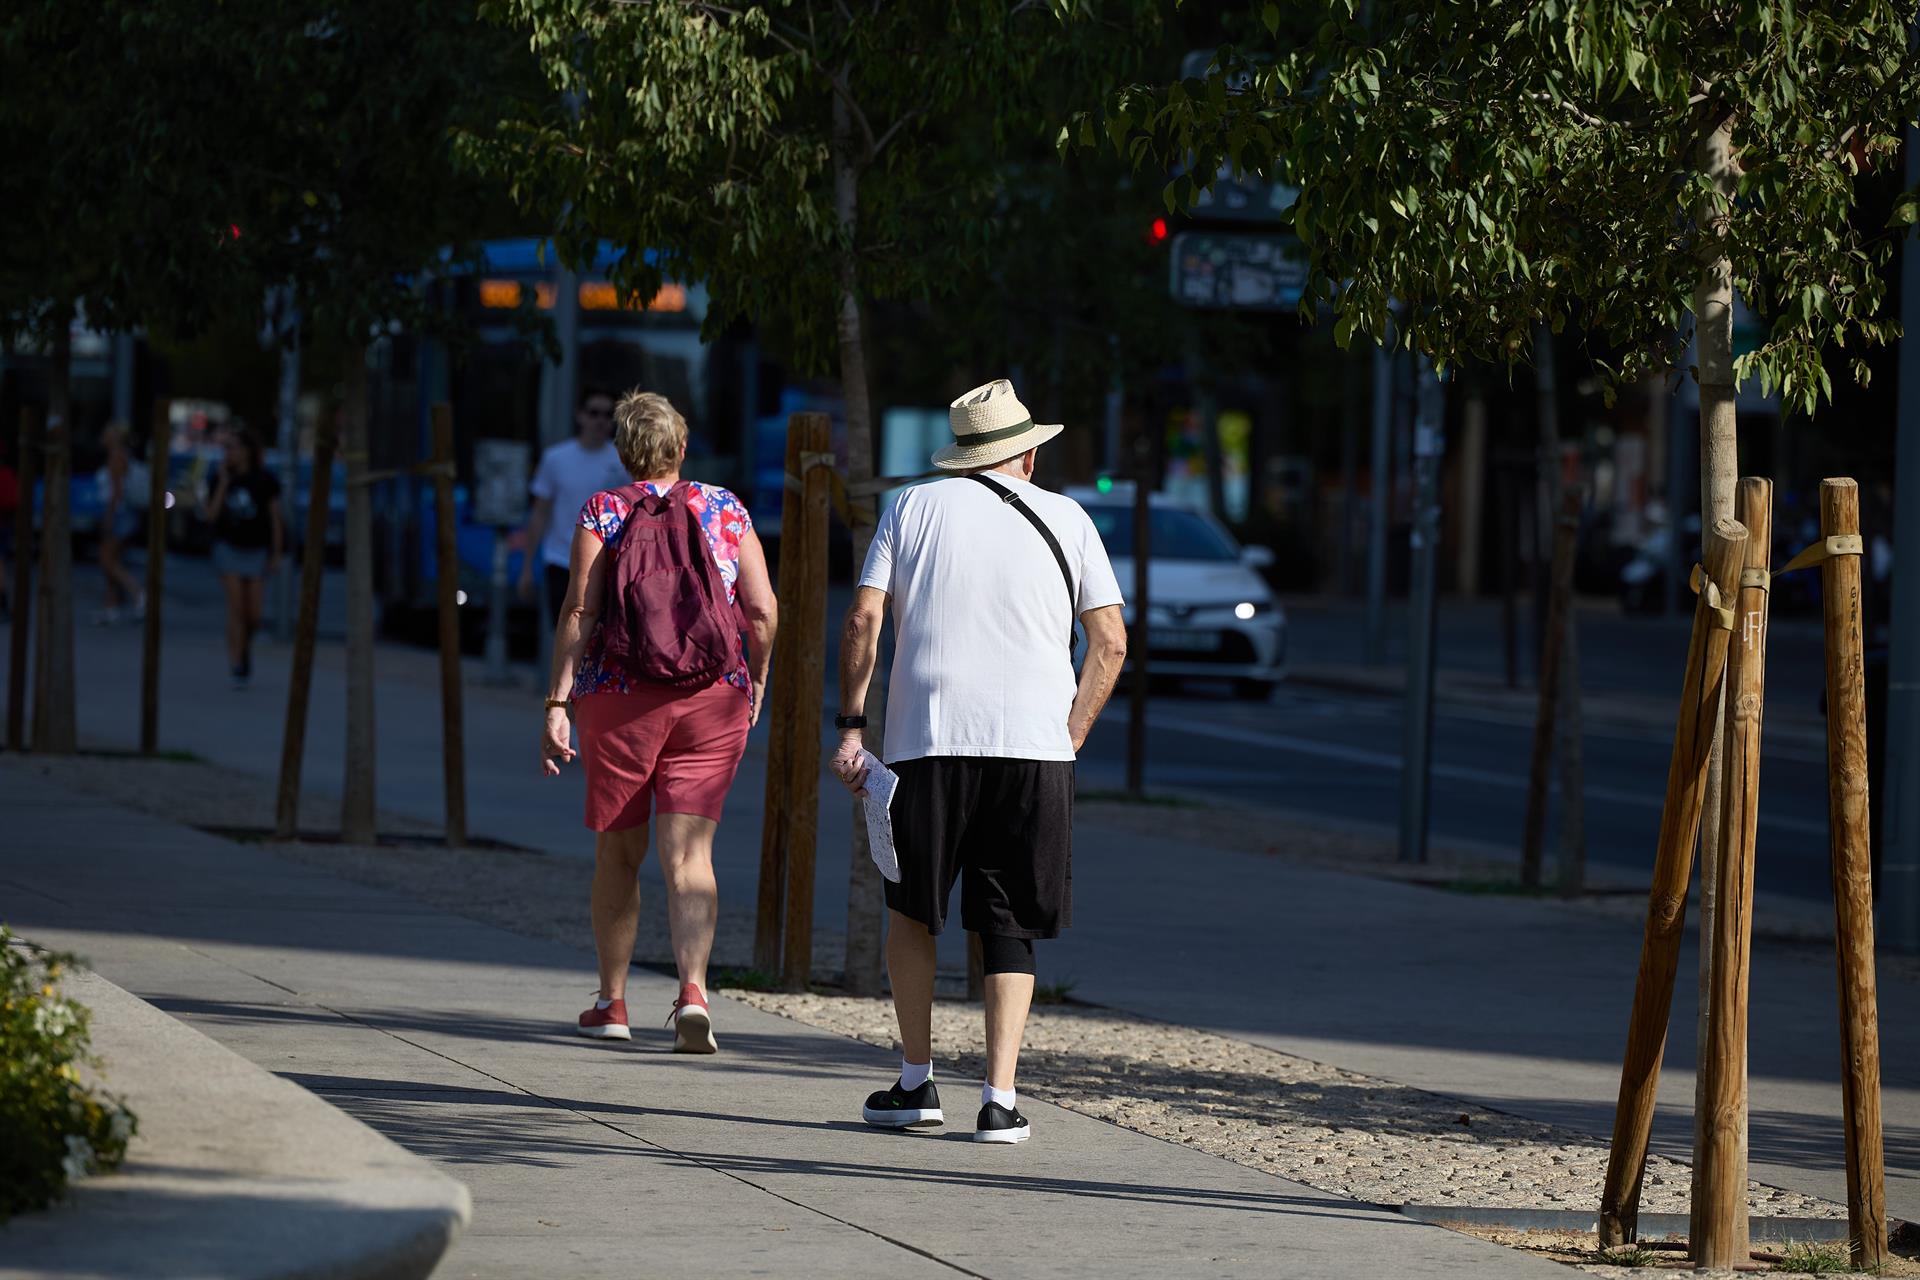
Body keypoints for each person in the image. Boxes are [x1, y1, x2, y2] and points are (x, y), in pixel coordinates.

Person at [832, 378, 1128, 1144]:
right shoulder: (1071, 518)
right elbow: (1112, 642)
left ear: (961, 455)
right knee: (1010, 924)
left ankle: (914, 1081)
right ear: (1027, 455)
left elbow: (864, 617)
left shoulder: (910, 506)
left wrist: (851, 725)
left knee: (910, 910)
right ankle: (1000, 1100)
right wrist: (1070, 735)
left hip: (926, 741)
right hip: (1035, 751)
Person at [540, 390, 776, 1053]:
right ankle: (693, 991)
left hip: (619, 698)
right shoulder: (727, 508)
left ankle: (612, 1002)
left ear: (621, 451)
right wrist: (753, 680)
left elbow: (579, 614)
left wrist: (557, 702)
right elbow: (762, 612)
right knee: (690, 857)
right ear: (682, 445)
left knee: (619, 853)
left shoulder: (604, 511)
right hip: (713, 697)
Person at [519, 386, 629, 624]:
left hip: (603, 563)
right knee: (562, 633)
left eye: (607, 414)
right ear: (580, 415)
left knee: (594, 639)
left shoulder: (622, 462)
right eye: (593, 413)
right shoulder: (556, 458)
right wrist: (527, 568)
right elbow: (539, 513)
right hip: (560, 560)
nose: (600, 420)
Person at [201, 424, 284, 689]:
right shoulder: (218, 477)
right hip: (228, 547)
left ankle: (245, 649)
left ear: (248, 451)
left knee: (254, 614)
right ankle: (236, 663)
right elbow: (210, 515)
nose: (230, 453)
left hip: (256, 549)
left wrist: (276, 551)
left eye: (234, 447)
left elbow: (275, 519)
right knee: (236, 608)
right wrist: (224, 482)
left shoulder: (265, 479)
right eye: (227, 448)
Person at [92, 423, 146, 625]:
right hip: (124, 514)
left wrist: (109, 517)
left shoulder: (116, 457)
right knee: (112, 562)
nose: (102, 436)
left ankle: (139, 594)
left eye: (106, 433)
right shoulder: (120, 455)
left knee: (107, 561)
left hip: (120, 514)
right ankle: (111, 607)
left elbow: (116, 492)